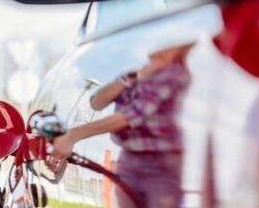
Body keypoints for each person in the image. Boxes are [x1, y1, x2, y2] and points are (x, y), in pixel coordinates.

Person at [47, 43, 193, 208]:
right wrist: (130, 79)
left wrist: (72, 135)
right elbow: (96, 102)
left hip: (161, 165)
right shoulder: (135, 74)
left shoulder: (173, 75)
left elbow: (131, 116)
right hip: (128, 160)